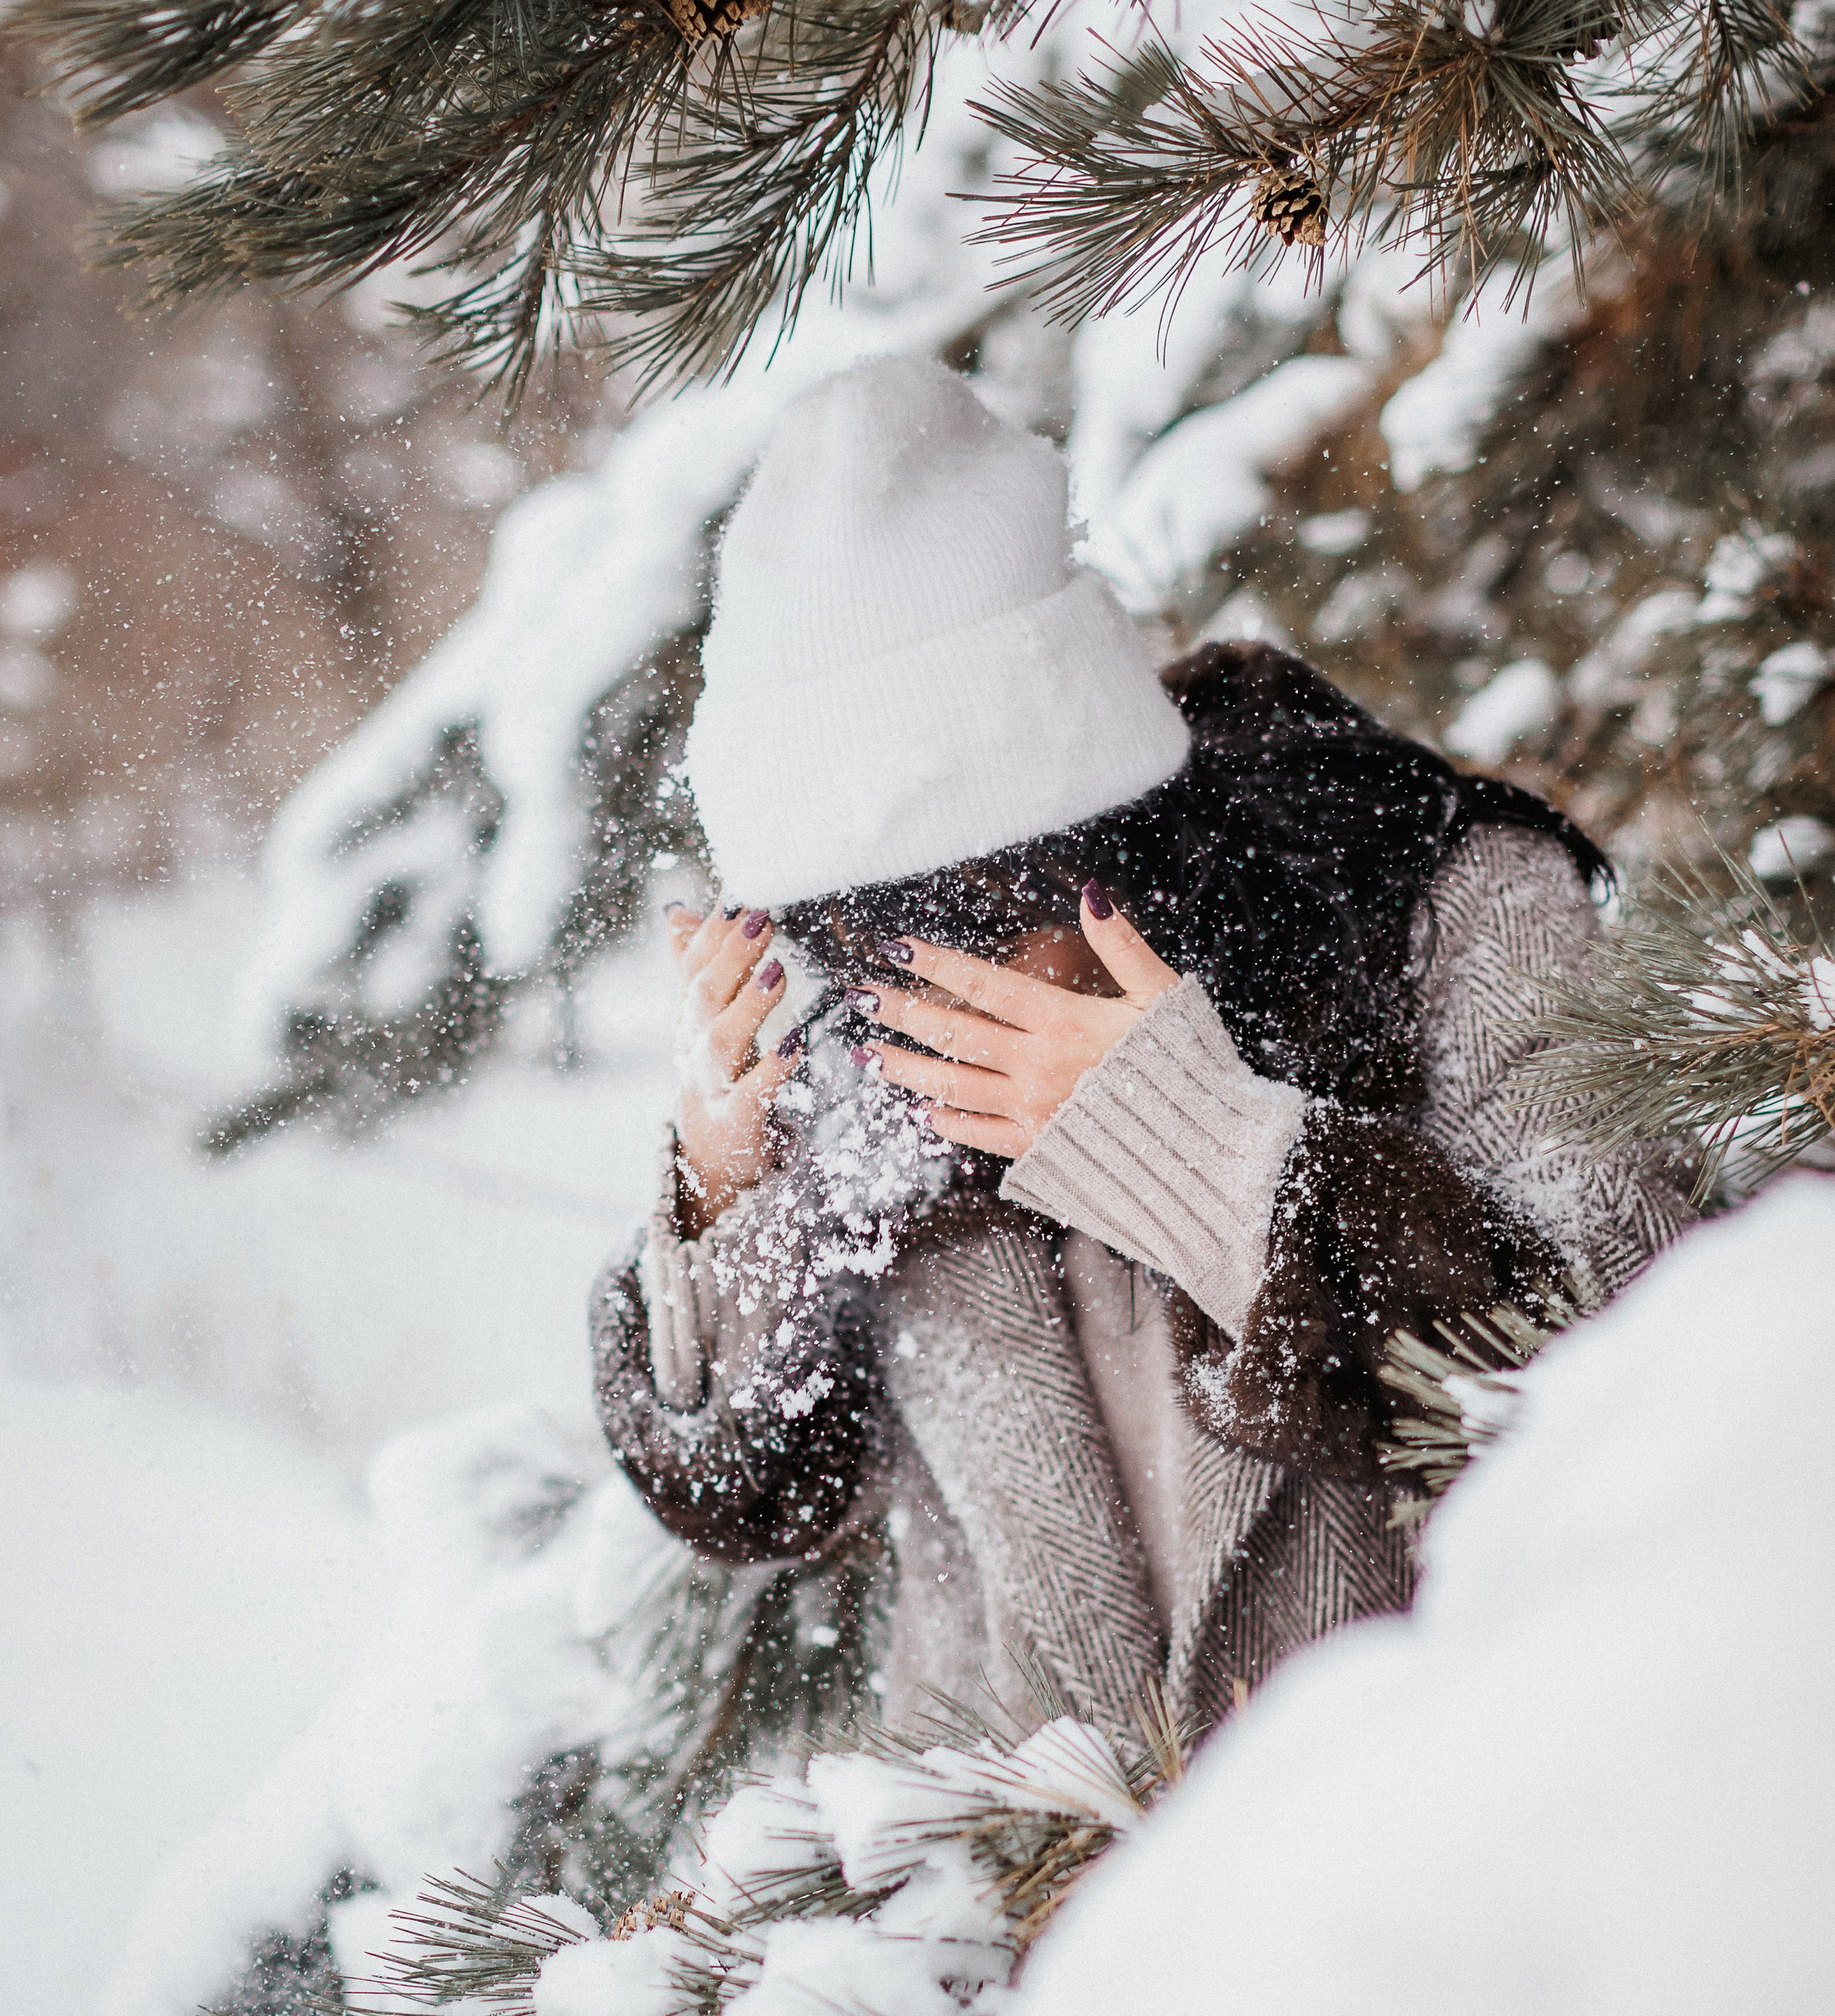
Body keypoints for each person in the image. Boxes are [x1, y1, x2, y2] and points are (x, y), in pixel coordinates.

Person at [592, 356, 1691, 1743]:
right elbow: (754, 1497)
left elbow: (1643, 1363)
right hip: (1027, 1873)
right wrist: (726, 1198)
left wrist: (1216, 1161)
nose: (921, 990)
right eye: (859, 937)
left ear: (1107, 837)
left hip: (1460, 1813)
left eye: (975, 909)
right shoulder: (860, 1059)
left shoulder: (1435, 904)